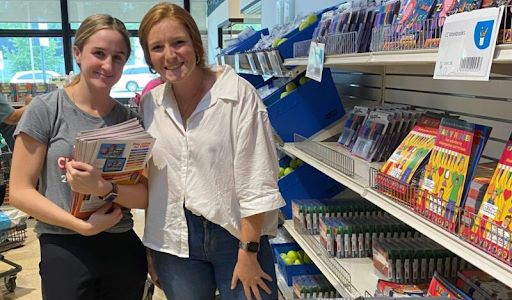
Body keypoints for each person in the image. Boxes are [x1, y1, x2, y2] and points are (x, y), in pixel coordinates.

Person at [138, 3, 285, 300]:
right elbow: (151, 179)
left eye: (179, 42)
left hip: (234, 235)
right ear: (148, 56)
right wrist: (152, 250)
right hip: (174, 239)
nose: (170, 55)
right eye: (157, 47)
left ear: (195, 43)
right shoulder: (150, 104)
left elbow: (258, 180)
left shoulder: (237, 95)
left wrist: (249, 251)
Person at [9, 14, 148, 299]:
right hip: (64, 243)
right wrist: (81, 227)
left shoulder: (129, 120)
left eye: (118, 57)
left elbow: (144, 195)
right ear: (77, 53)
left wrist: (103, 189)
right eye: (99, 53)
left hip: (121, 243)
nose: (108, 65)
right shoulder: (46, 110)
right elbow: (20, 191)